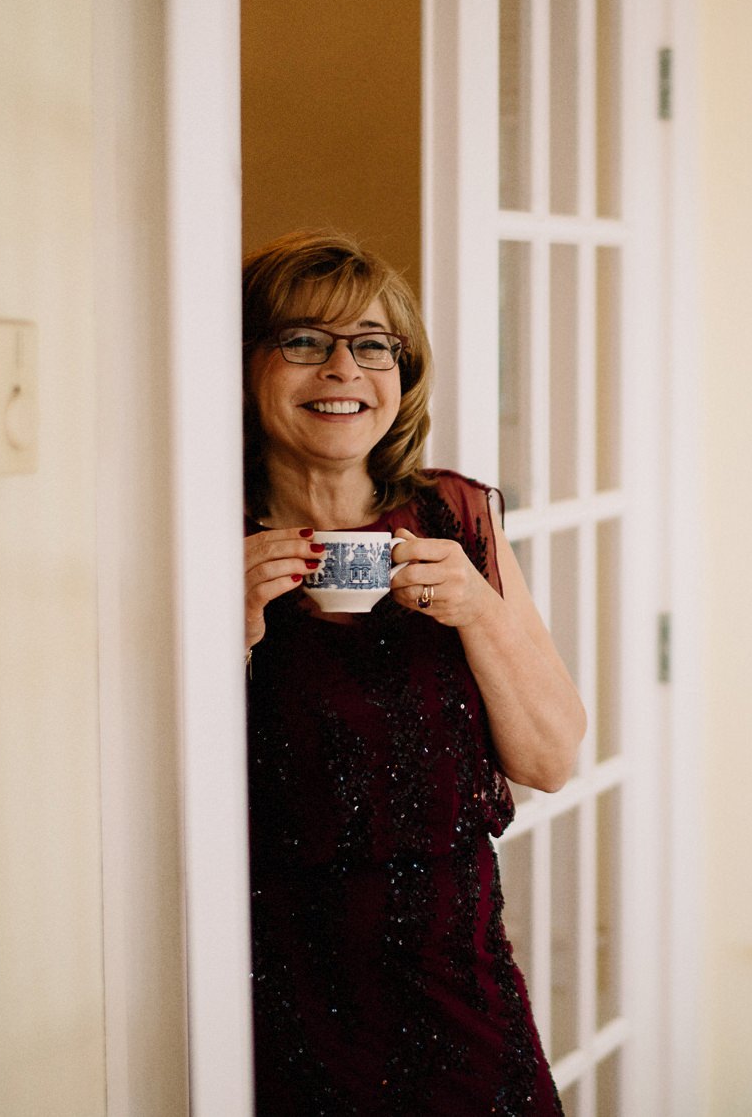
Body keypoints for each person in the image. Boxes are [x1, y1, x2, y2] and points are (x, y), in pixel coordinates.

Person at [241, 230, 583, 1115]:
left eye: (372, 345)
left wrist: (479, 611)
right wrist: (227, 632)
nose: (342, 370)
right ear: (244, 365)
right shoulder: (200, 536)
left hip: (457, 987)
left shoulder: (454, 517)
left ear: (403, 371)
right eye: (303, 341)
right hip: (269, 994)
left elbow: (550, 759)